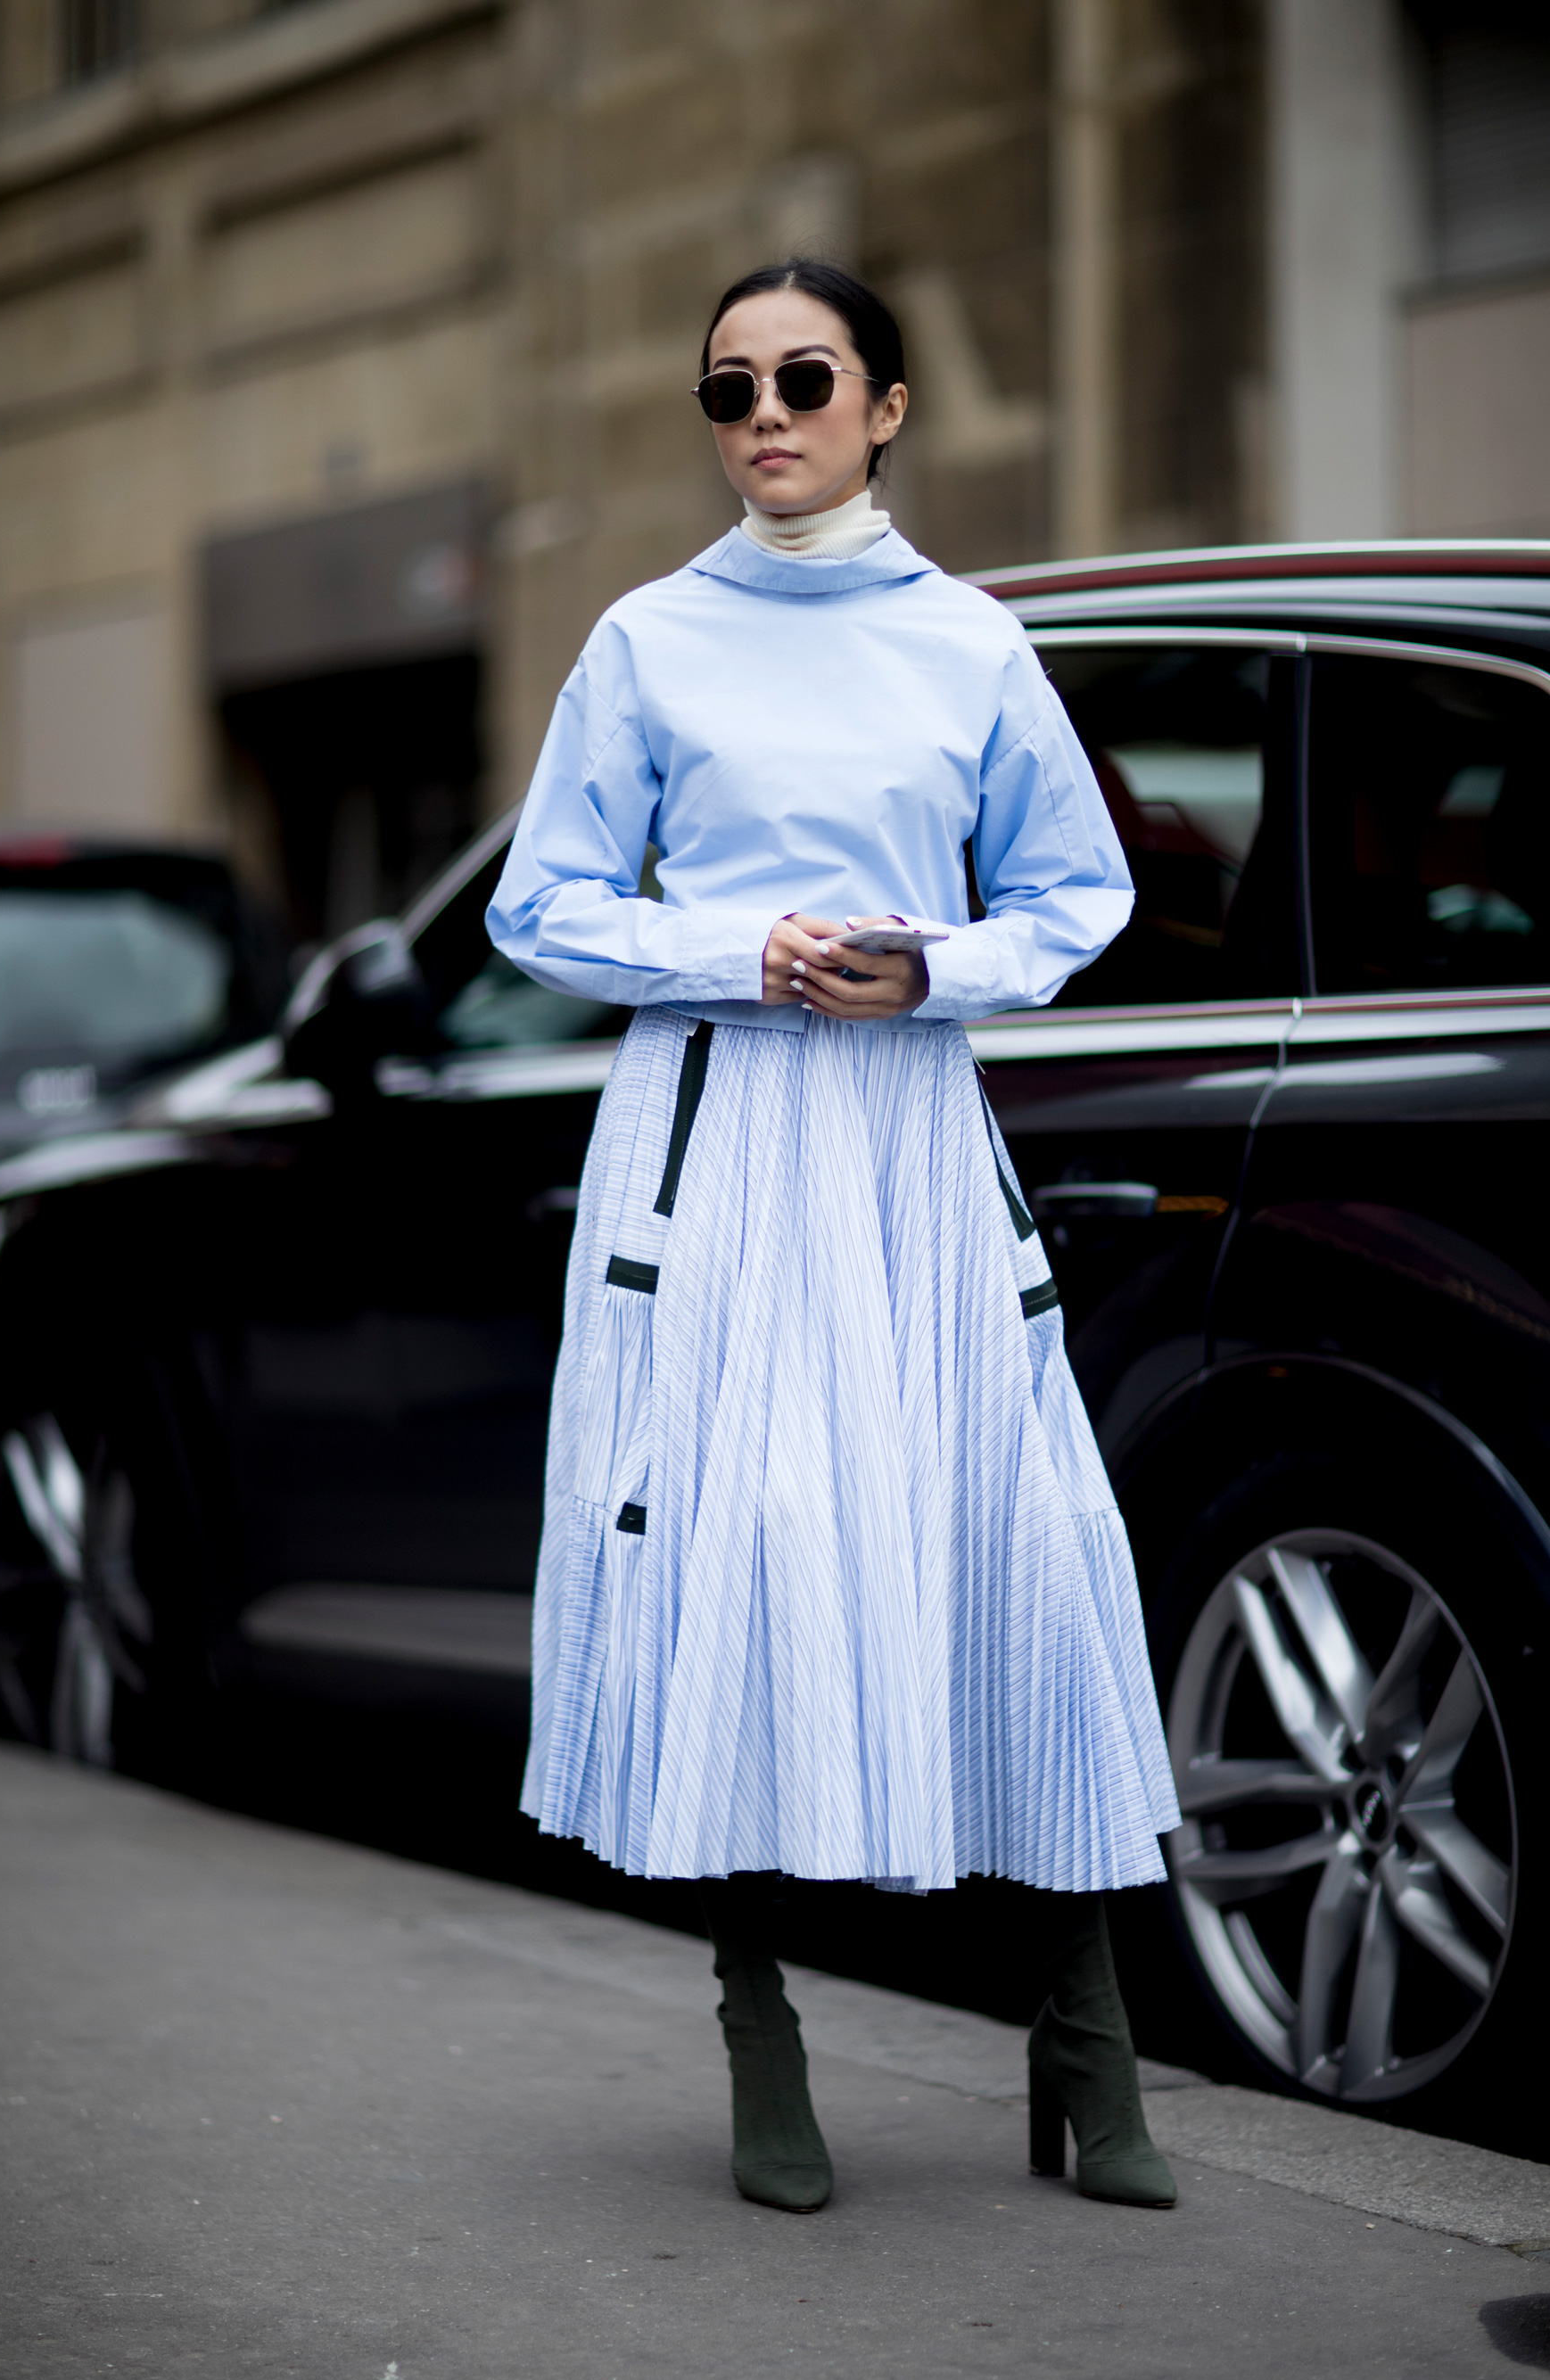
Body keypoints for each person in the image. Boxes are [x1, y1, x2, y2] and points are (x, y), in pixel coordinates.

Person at [486, 259, 1182, 2214]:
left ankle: (1086, 2033)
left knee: (1004, 1544)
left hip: (906, 1148)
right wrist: (737, 950)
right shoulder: (646, 640)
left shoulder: (968, 645)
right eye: (728, 389)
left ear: (885, 408)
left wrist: (930, 970)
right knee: (742, 1553)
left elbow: (1077, 892)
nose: (765, 414)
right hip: (714, 1149)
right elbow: (539, 910)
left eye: (806, 378)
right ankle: (756, 2013)